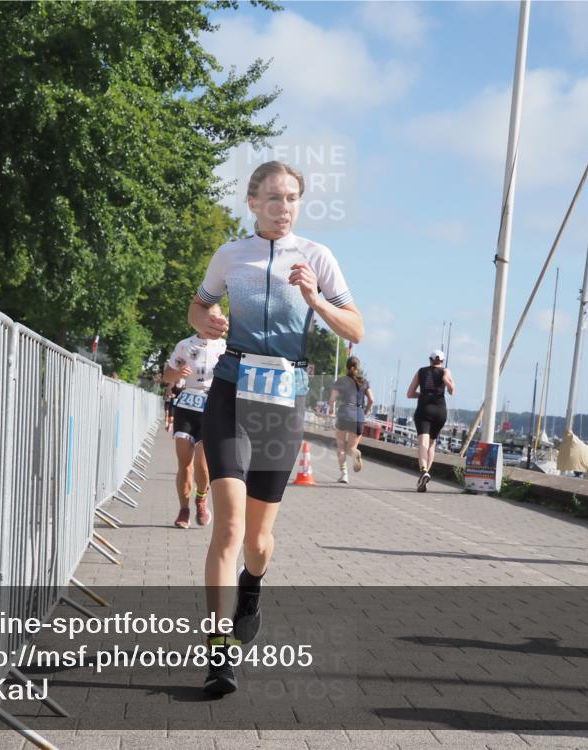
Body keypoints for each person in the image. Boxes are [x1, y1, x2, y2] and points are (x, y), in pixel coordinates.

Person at [189, 160, 362, 694]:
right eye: (272, 198)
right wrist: (207, 321)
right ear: (252, 203)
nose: (282, 208)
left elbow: (355, 327)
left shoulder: (317, 258)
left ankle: (254, 587)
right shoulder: (230, 254)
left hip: (281, 404)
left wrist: (315, 301)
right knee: (230, 530)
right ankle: (219, 653)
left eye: (291, 199)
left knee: (259, 542)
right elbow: (198, 306)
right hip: (230, 393)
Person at [162, 324, 227, 529]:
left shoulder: (226, 347)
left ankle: (201, 498)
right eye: (210, 319)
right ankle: (184, 509)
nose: (214, 323)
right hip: (186, 407)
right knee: (184, 464)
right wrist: (178, 373)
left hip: (211, 407)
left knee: (203, 464)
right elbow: (167, 376)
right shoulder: (185, 345)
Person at [406, 349, 455, 492]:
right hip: (440, 411)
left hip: (424, 408)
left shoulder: (421, 371)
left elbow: (409, 394)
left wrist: (422, 394)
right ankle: (425, 476)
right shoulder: (446, 371)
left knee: (423, 442)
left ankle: (423, 470)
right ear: (442, 361)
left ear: (430, 359)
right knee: (432, 444)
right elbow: (451, 390)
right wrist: (446, 381)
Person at [328, 356, 374, 483]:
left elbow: (332, 399)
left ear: (346, 367)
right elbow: (371, 400)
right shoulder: (364, 382)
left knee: (341, 447)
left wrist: (331, 409)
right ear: (358, 368)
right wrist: (366, 410)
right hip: (358, 415)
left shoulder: (341, 381)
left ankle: (344, 474)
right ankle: (355, 453)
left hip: (344, 414)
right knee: (351, 448)